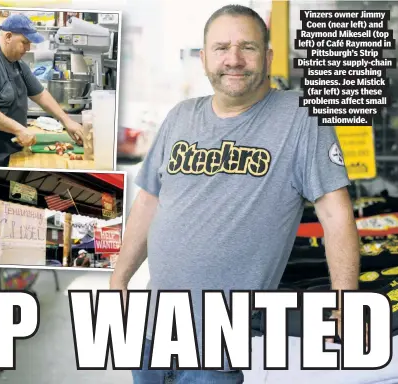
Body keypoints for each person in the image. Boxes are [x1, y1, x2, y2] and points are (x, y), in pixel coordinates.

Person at [110, 5, 360, 383]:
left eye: (248, 47)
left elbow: (335, 215)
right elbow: (149, 202)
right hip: (152, 329)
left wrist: (346, 304)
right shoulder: (180, 116)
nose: (234, 60)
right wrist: (119, 280)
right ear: (204, 57)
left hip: (220, 346)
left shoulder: (301, 118)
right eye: (221, 48)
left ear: (269, 56)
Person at [0, 13, 84, 173]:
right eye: (25, 42)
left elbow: (40, 94)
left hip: (0, 141)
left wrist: (66, 121)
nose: (28, 48)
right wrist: (19, 129)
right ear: (8, 36)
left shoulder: (16, 63)